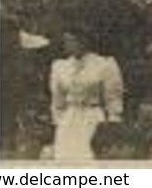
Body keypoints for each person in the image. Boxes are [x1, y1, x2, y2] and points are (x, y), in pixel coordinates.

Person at [48, 23, 124, 160]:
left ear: (84, 41)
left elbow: (113, 97)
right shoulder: (60, 66)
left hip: (93, 116)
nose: (68, 45)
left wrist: (113, 120)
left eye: (72, 41)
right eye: (66, 41)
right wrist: (58, 121)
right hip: (69, 119)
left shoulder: (104, 64)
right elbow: (57, 100)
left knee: (88, 156)